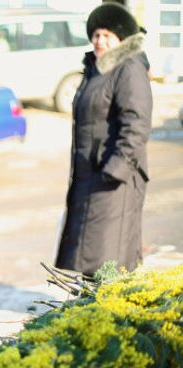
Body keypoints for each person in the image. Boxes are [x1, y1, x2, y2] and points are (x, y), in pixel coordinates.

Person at [55, 3, 152, 276]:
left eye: (107, 35)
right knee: (91, 251)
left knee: (107, 254)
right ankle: (95, 308)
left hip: (115, 180)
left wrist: (114, 170)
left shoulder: (128, 68)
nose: (99, 41)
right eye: (96, 34)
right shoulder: (97, 69)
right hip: (92, 176)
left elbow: (137, 124)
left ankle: (104, 310)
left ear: (121, 39)